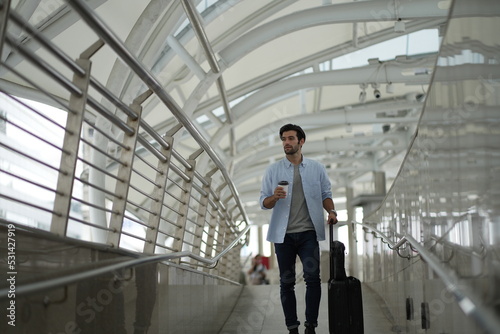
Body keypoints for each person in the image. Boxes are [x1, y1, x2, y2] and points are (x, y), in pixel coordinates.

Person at [260, 124, 338, 334]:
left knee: (313, 279)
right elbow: (263, 202)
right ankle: (292, 327)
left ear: (301, 141)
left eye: (291, 138)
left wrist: (332, 212)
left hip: (308, 233)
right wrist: (274, 197)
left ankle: (310, 325)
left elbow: (326, 194)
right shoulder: (273, 170)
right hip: (282, 235)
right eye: (284, 139)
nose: (286, 142)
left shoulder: (316, 168)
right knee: (287, 283)